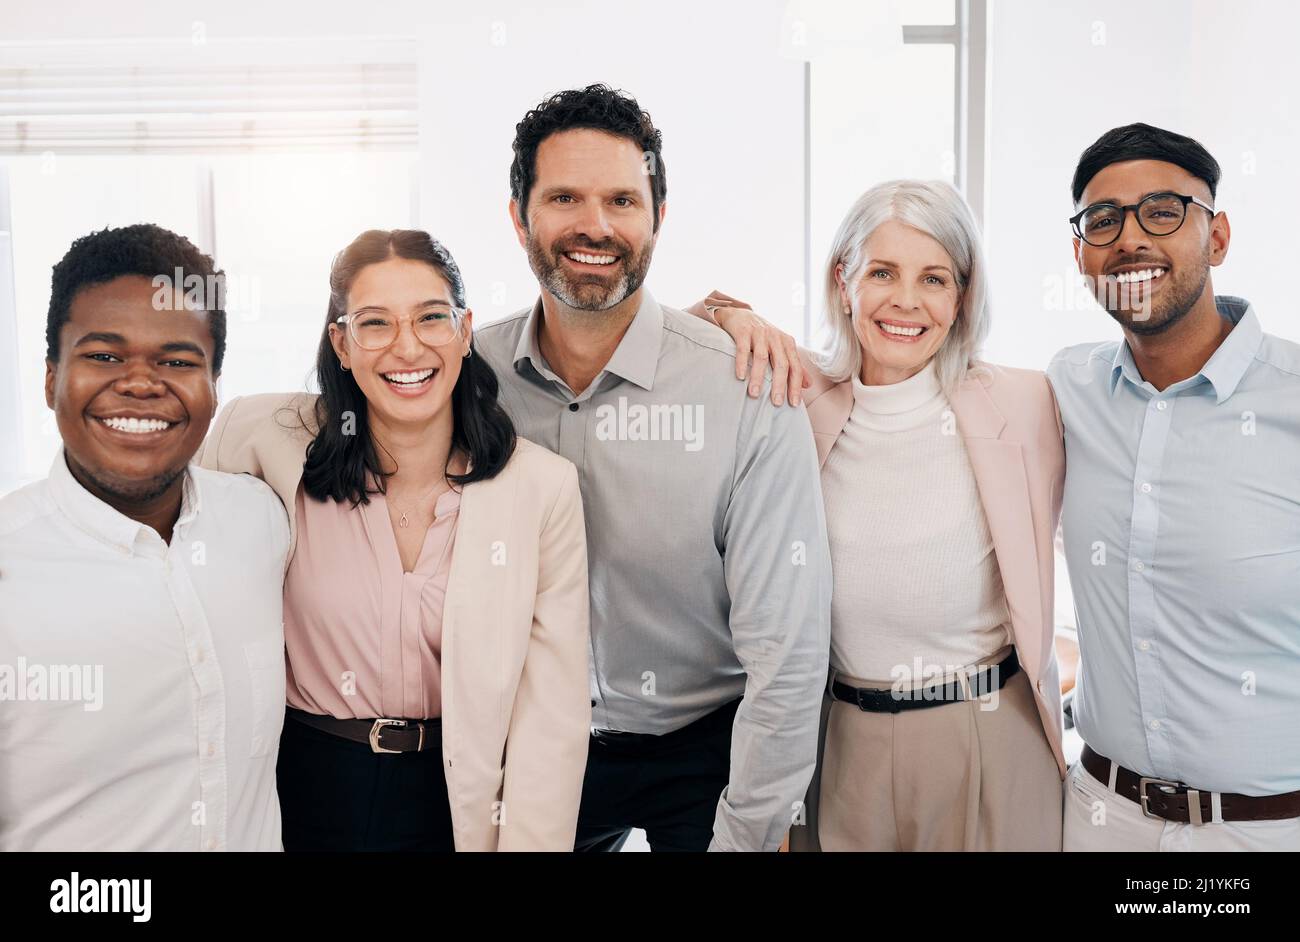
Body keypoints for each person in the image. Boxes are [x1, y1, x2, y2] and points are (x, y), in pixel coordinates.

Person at [474, 84, 832, 852]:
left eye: (622, 201)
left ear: (658, 219)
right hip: (536, 742)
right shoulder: (467, 379)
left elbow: (789, 653)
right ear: (519, 217)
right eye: (564, 196)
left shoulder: (748, 389)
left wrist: (747, 832)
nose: (594, 226)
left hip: (707, 746)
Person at [693, 180, 1066, 850]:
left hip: (987, 732)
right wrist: (730, 317)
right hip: (842, 742)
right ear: (844, 281)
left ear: (962, 296)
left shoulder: (1025, 401)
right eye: (883, 272)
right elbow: (667, 345)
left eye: (934, 278)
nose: (906, 300)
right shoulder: (793, 397)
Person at [197, 229, 591, 851]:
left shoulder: (540, 490)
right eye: (374, 323)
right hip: (301, 785)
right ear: (342, 344)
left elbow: (551, 720)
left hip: (453, 799)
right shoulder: (259, 441)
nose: (407, 348)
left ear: (464, 332)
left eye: (432, 318)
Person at [1049, 124, 1300, 851]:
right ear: (1080, 254)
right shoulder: (1068, 387)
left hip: (1268, 829)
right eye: (1104, 220)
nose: (1130, 239)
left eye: (1163, 210)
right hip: (1101, 815)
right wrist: (730, 335)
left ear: (1216, 237)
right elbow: (920, 380)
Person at [0, 224, 289, 850]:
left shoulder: (263, 522)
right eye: (103, 355)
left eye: (177, 361)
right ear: (50, 378)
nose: (139, 382)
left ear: (214, 385)